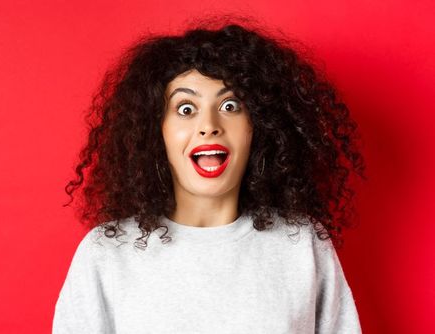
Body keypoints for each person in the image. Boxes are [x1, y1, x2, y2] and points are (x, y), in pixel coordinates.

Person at [54, 20, 367, 333]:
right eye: (186, 109)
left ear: (257, 126)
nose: (209, 125)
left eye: (230, 105)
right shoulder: (107, 253)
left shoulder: (301, 245)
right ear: (157, 130)